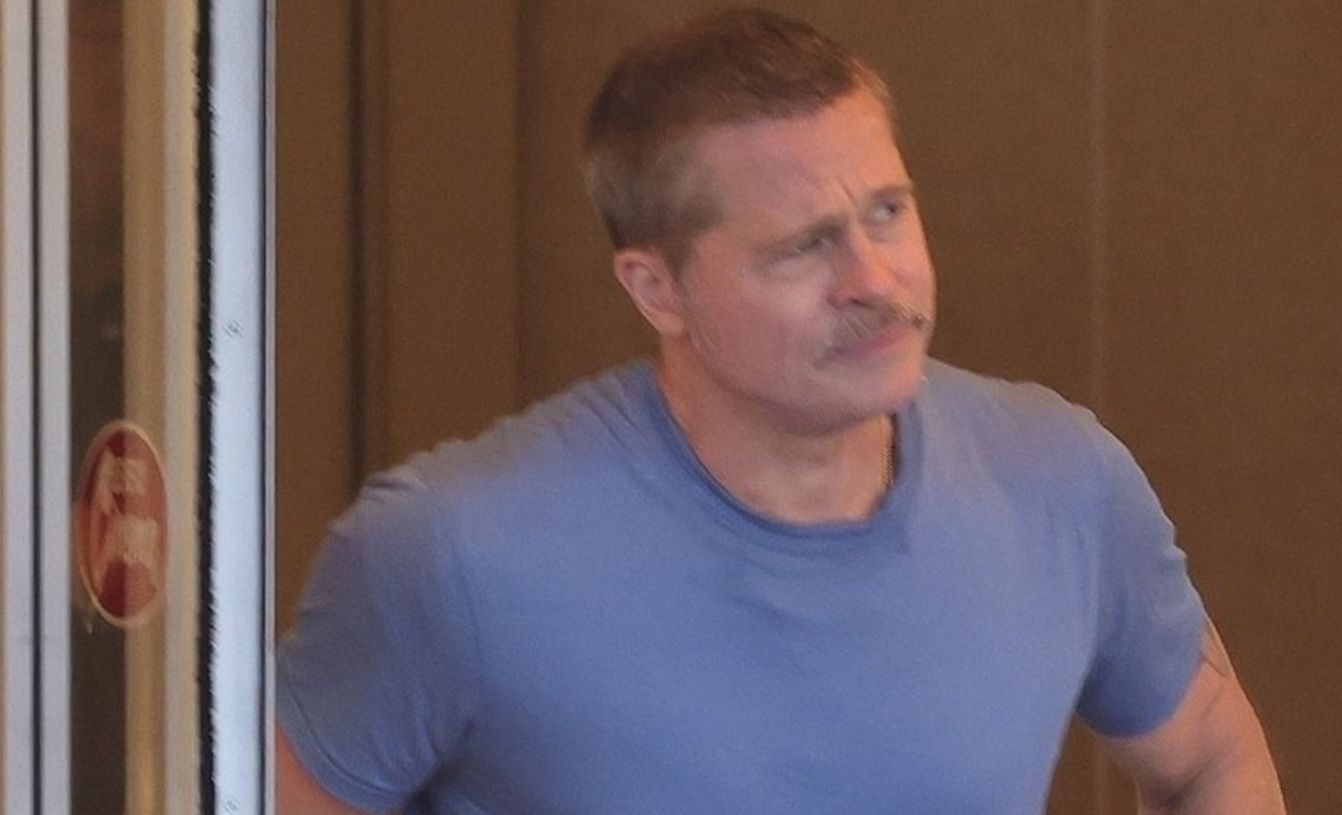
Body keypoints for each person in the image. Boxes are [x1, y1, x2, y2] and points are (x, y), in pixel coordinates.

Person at [276, 8, 1285, 814]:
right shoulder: (449, 553)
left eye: (888, 211)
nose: (874, 279)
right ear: (658, 290)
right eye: (804, 245)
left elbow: (1210, 758)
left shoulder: (1060, 480)